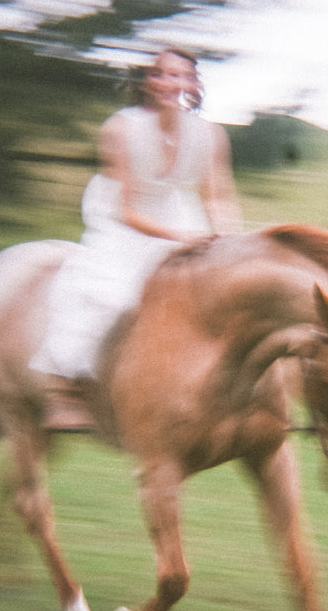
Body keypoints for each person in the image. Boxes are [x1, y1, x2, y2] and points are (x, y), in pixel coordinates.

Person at [29, 47, 243, 429]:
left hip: (181, 212)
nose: (168, 83)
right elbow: (125, 209)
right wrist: (178, 237)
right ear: (146, 81)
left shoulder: (211, 135)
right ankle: (64, 390)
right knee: (109, 292)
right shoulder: (120, 129)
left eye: (179, 76)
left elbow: (217, 195)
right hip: (125, 220)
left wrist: (226, 237)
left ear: (193, 83)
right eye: (159, 74)